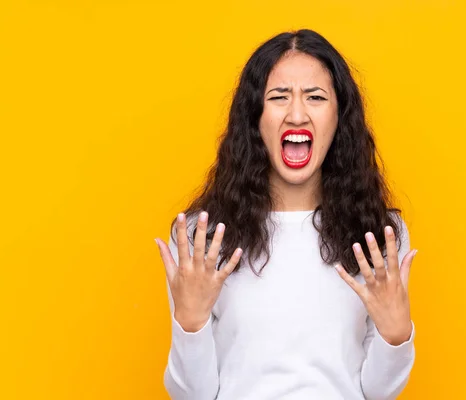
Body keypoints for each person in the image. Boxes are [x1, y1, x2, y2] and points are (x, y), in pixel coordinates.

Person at [154, 28, 418, 400]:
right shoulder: (205, 240)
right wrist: (190, 324)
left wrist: (395, 335)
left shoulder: (378, 235)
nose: (297, 114)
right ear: (255, 118)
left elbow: (377, 393)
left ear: (339, 117)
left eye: (315, 97)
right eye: (279, 97)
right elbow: (193, 395)